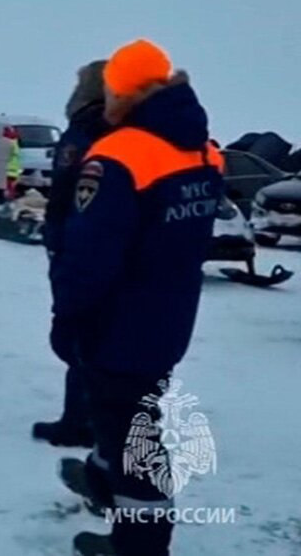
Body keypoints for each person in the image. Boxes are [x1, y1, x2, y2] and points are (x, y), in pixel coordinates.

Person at [51, 39, 224, 556]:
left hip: (118, 322)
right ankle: (105, 483)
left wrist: (68, 316)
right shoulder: (204, 150)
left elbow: (91, 255)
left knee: (134, 439)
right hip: (171, 315)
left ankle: (140, 544)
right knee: (131, 418)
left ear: (120, 91)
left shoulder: (118, 156)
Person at [32, 60, 109, 449]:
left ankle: (79, 421)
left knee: (78, 332)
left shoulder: (86, 131)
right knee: (94, 335)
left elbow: (68, 192)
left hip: (79, 246)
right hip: (89, 244)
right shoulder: (119, 128)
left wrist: (59, 240)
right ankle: (90, 417)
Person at [4, 126, 22, 198]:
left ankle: (9, 196)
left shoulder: (7, 141)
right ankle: (11, 195)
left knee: (8, 184)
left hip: (8, 166)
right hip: (14, 166)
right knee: (11, 183)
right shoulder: (15, 140)